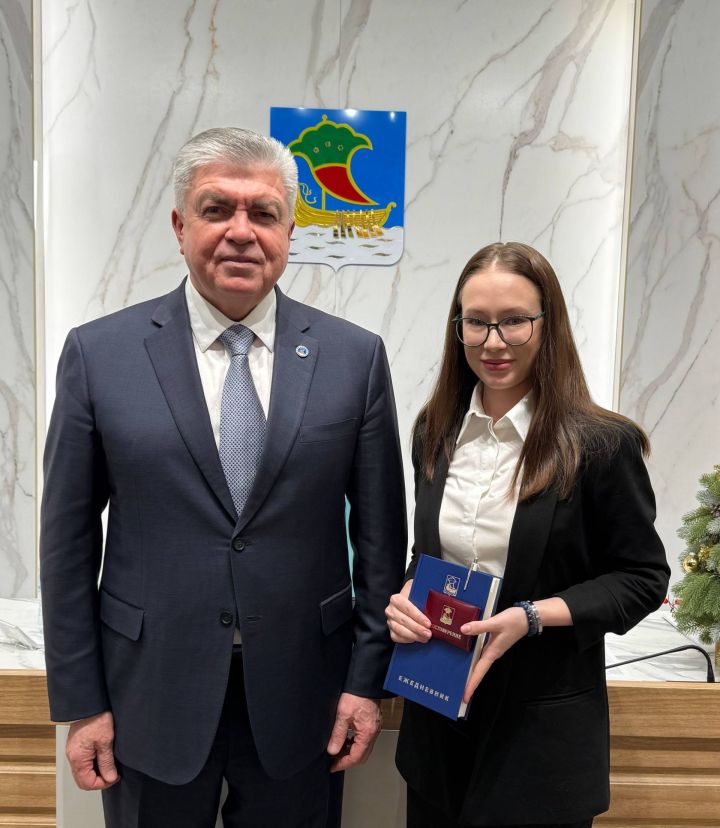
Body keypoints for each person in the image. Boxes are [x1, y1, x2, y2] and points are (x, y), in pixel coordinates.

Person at [40, 127, 407, 828]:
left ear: (289, 232)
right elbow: (66, 544)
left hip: (305, 696)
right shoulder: (100, 354)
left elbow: (382, 541)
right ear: (181, 226)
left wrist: (366, 684)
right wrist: (81, 702)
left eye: (263, 213)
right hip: (147, 693)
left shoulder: (354, 358)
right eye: (217, 209)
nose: (242, 231)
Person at [385, 242, 669, 828]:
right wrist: (406, 597)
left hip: (539, 738)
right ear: (457, 328)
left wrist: (533, 617)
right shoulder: (434, 431)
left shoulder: (600, 444)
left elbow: (642, 578)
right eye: (477, 322)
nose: (494, 342)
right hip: (437, 726)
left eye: (514, 320)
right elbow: (428, 554)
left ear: (548, 324)